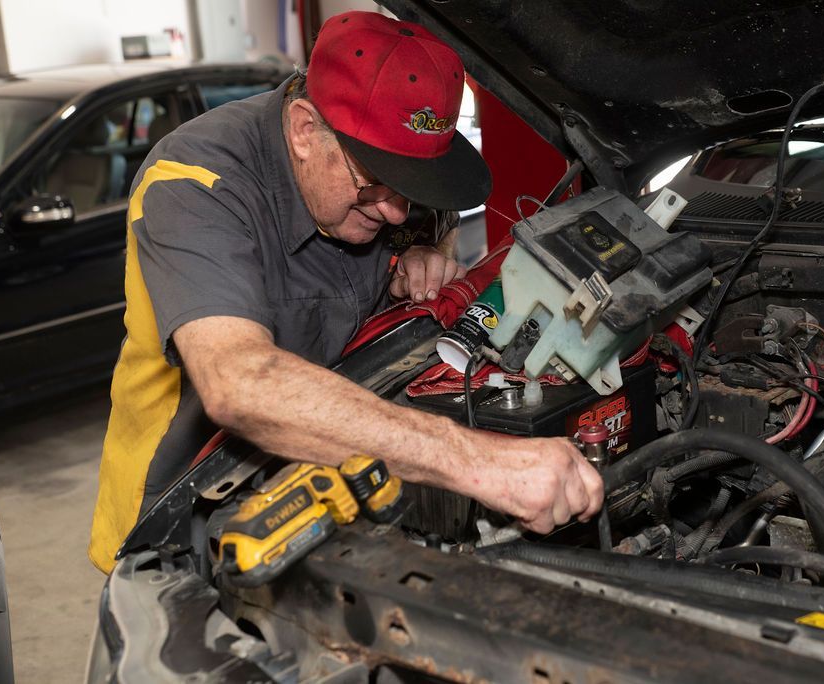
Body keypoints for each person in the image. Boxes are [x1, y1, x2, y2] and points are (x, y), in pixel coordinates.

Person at [88, 10, 604, 574]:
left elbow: (434, 221)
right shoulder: (195, 184)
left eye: (413, 187)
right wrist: (481, 462)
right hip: (184, 504)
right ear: (306, 131)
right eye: (376, 184)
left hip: (339, 471)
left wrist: (429, 255)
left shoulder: (386, 181)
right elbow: (239, 382)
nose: (395, 210)